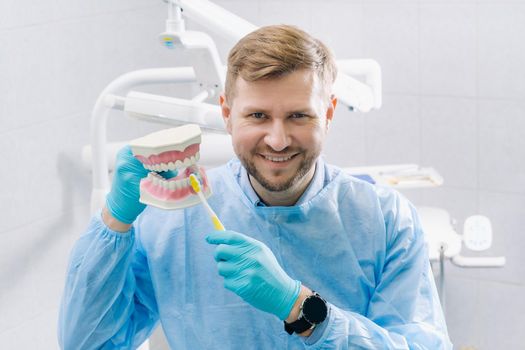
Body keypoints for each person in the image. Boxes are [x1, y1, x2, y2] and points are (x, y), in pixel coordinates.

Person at [59, 24, 452, 349]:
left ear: (328, 113)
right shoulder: (172, 222)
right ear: (227, 114)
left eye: (299, 116)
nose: (278, 140)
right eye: (258, 115)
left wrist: (300, 307)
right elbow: (88, 344)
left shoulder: (384, 220)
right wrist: (115, 220)